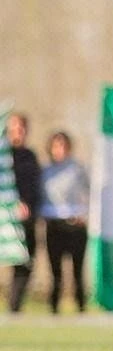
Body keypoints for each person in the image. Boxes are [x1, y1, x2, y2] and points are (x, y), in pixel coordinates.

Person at [40, 131, 90, 313]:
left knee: (77, 272)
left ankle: (81, 308)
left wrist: (84, 213)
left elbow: (91, 193)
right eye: (56, 146)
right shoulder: (45, 171)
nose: (59, 150)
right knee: (56, 273)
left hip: (74, 225)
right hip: (54, 226)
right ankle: (54, 309)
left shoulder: (77, 169)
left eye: (63, 145)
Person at [5, 112, 40, 313]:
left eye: (21, 128)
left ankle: (14, 308)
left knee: (25, 263)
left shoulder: (30, 156)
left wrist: (28, 205)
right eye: (14, 128)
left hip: (26, 221)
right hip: (6, 220)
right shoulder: (3, 157)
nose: (18, 132)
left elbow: (34, 187)